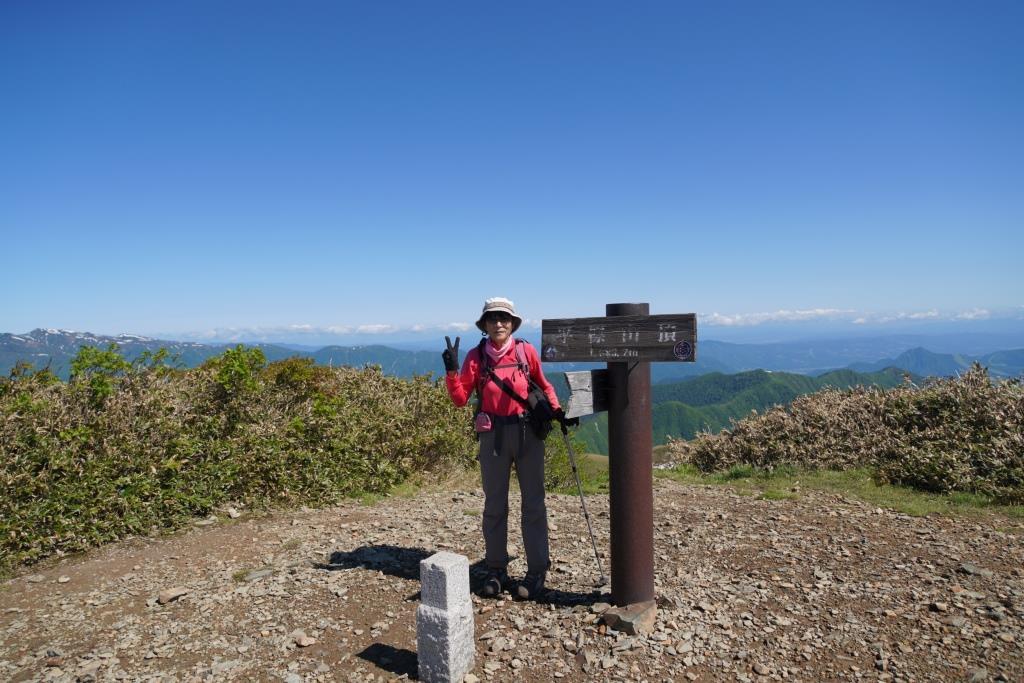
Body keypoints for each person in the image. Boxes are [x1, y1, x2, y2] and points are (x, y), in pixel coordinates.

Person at [442, 297, 564, 600]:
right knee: (495, 505)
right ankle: (496, 568)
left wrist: (556, 409)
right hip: (493, 435)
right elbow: (460, 399)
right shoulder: (476, 356)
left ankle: (537, 570)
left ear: (512, 324)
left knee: (533, 504)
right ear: (484, 325)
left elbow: (543, 384)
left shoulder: (526, 351)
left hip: (527, 434)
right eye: (493, 318)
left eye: (504, 318)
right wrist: (452, 372)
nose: (499, 323)